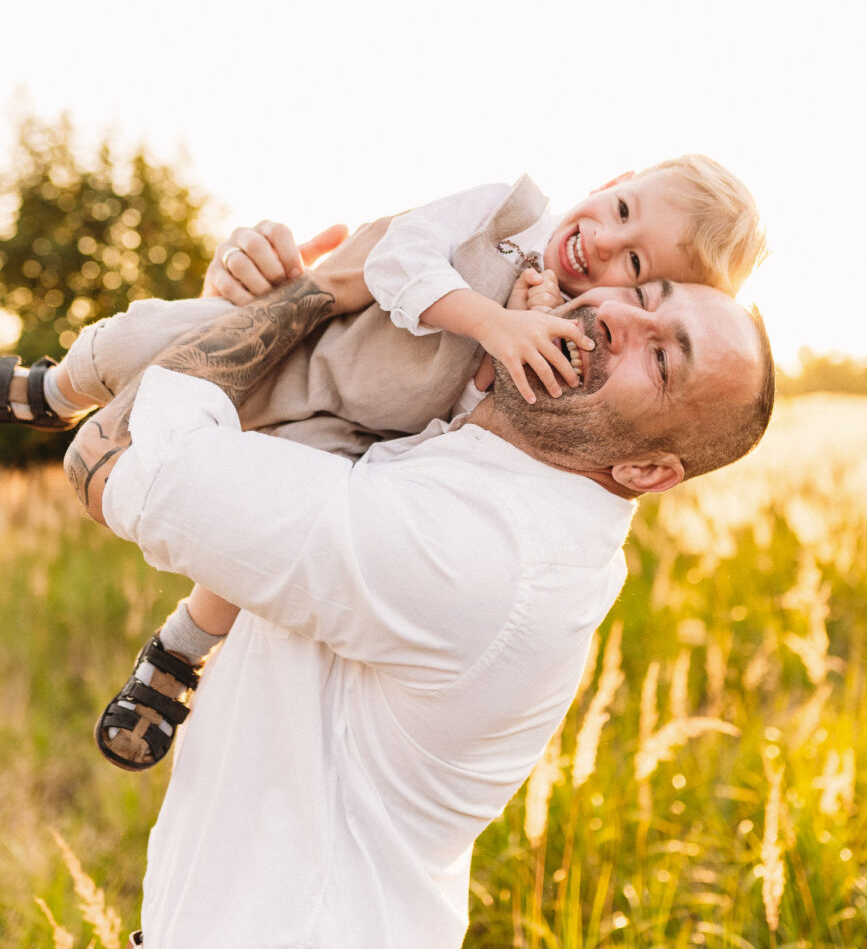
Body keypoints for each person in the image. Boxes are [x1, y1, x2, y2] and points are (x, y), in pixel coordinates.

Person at [63, 258, 775, 949]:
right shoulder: (486, 462)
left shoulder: (484, 554)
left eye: (661, 360)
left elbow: (112, 458)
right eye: (643, 293)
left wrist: (322, 288)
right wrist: (253, 294)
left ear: (644, 470)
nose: (618, 317)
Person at [2, 155, 765, 770]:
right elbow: (392, 257)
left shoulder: (546, 371)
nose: (602, 246)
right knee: (139, 340)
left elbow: (460, 430)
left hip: (348, 429)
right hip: (305, 346)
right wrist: (493, 322)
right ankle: (48, 391)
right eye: (621, 210)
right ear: (611, 180)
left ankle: (180, 651)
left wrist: (516, 341)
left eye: (633, 265)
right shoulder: (505, 216)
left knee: (238, 549)